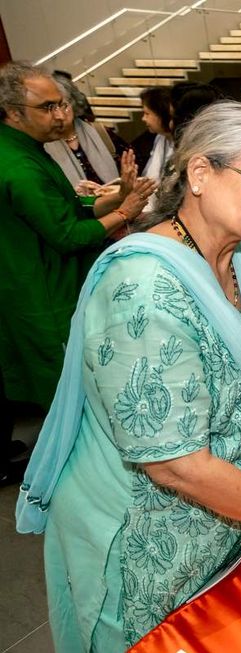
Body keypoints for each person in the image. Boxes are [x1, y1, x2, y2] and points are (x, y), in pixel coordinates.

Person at [16, 102, 241, 650]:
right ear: (198, 174)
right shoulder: (141, 288)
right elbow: (175, 464)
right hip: (147, 536)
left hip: (233, 515)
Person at [0, 62, 152, 483]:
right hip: (43, 291)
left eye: (63, 104)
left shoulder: (25, 151)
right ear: (14, 113)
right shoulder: (19, 166)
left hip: (39, 283)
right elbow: (68, 234)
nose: (62, 116)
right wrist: (124, 211)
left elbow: (68, 207)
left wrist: (119, 196)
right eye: (48, 107)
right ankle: (82, 476)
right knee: (66, 390)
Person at [44, 76, 120, 190]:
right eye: (51, 108)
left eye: (63, 105)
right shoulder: (42, 148)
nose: (59, 114)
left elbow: (132, 171)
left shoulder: (101, 133)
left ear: (73, 103)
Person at [140, 86, 174, 184]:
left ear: (162, 114)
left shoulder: (183, 143)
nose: (143, 118)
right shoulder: (161, 138)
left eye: (147, 114)